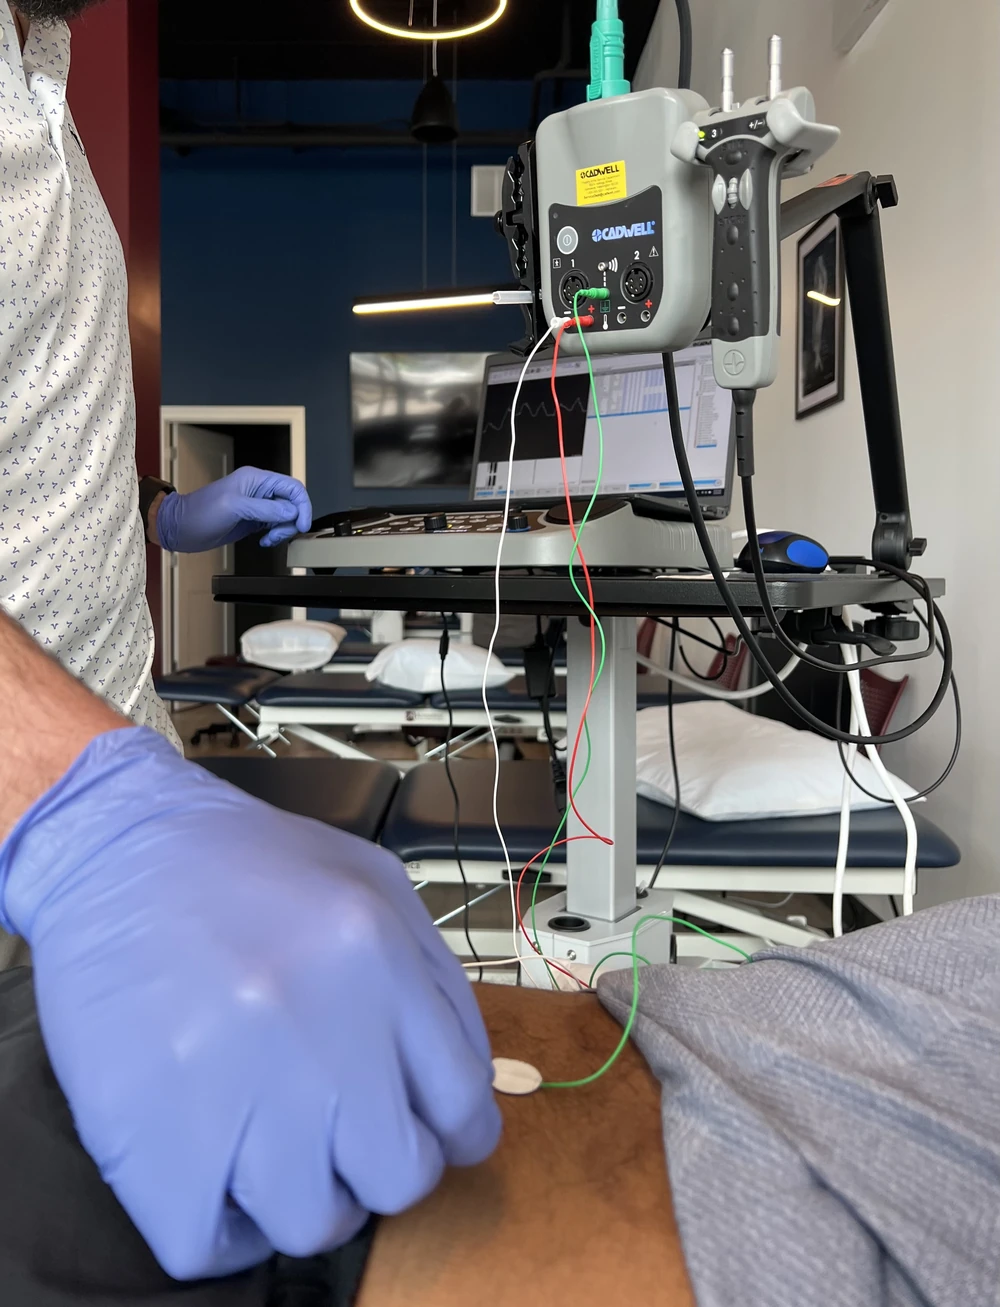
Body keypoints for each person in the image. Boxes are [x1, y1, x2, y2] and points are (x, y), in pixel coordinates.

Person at [0, 0, 501, 1284]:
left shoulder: (43, 82)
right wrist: (76, 812)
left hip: (119, 787)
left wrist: (167, 515)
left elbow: (28, 460)